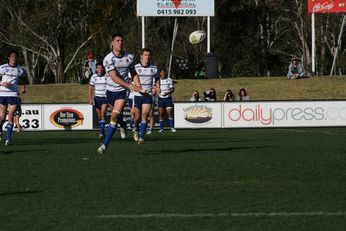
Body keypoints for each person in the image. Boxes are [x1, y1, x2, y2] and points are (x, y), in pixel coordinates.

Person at [97, 33, 142, 155]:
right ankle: (122, 125)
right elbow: (114, 77)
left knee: (114, 117)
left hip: (122, 92)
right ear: (112, 43)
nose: (120, 43)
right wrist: (131, 86)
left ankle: (104, 146)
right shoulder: (108, 59)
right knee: (117, 117)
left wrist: (139, 87)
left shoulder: (130, 57)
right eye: (117, 41)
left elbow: (133, 74)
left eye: (122, 41)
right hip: (110, 91)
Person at [0, 49, 27, 145]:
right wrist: (2, 83)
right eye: (12, 56)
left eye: (15, 56)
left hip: (13, 95)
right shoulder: (2, 68)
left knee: (11, 116)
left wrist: (23, 87)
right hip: (2, 94)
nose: (14, 58)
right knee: (2, 117)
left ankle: (8, 139)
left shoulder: (20, 69)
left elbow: (24, 78)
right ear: (8, 57)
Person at [132, 48, 159, 144]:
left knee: (145, 115)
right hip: (137, 95)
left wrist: (156, 87)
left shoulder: (154, 68)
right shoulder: (135, 67)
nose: (147, 57)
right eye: (145, 55)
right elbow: (130, 80)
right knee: (137, 117)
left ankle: (142, 137)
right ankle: (135, 129)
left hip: (148, 95)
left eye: (149, 55)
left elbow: (157, 79)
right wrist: (136, 88)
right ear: (141, 57)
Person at [88, 62, 108, 142]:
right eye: (98, 68)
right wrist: (90, 98)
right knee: (99, 117)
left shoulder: (107, 76)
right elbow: (90, 88)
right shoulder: (94, 77)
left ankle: (101, 133)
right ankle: (102, 131)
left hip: (105, 98)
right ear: (96, 69)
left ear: (103, 68)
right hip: (97, 98)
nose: (100, 69)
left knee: (103, 114)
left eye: (101, 67)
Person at [157, 68, 176, 133]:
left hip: (168, 98)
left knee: (169, 112)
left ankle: (172, 128)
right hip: (161, 99)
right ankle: (161, 128)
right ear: (160, 73)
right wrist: (157, 90)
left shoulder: (169, 79)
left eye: (164, 73)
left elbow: (172, 89)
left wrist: (167, 93)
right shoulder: (158, 80)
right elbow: (155, 88)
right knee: (161, 113)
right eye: (162, 72)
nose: (163, 74)